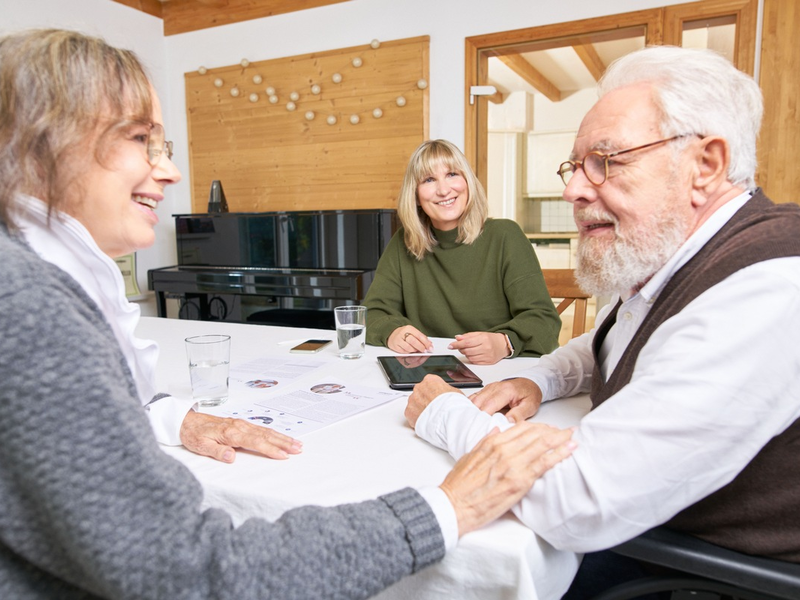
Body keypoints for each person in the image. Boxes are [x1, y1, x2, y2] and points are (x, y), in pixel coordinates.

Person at [0, 29, 577, 599]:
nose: (171, 172)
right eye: (139, 139)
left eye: (163, 146)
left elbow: (539, 323)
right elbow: (188, 568)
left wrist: (176, 418)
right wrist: (447, 507)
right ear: (51, 142)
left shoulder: (502, 236)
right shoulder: (29, 305)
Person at [403, 45, 800, 596]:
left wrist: (443, 412)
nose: (572, 190)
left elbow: (575, 500)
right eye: (576, 166)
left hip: (693, 571)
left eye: (606, 161)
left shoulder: (769, 287)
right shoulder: (678, 261)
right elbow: (611, 337)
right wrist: (537, 380)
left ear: (704, 166)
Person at [363, 139, 561, 365]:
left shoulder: (505, 236)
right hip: (427, 372)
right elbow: (372, 313)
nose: (443, 190)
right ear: (416, 195)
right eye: (429, 180)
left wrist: (504, 343)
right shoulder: (403, 243)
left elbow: (544, 322)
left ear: (467, 181)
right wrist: (393, 332)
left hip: (497, 371)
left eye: (452, 174)